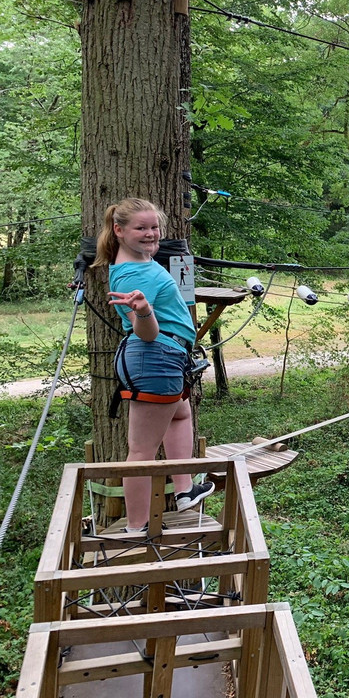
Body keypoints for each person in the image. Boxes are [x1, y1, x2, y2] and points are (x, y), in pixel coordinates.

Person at [92, 198, 214, 533]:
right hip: (154, 355)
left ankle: (185, 489)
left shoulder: (141, 262)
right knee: (142, 450)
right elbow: (146, 332)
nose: (150, 234)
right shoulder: (133, 273)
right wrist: (144, 312)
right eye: (141, 228)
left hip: (166, 356)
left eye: (154, 227)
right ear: (119, 231)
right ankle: (137, 527)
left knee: (181, 413)